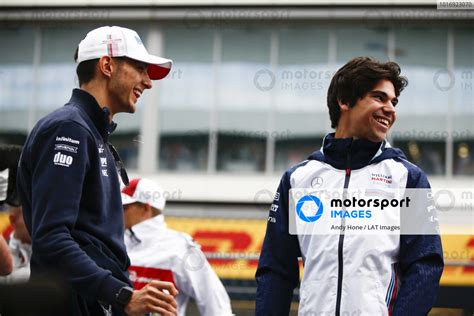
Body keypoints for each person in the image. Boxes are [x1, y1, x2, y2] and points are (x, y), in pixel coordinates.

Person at [256, 57, 444, 315]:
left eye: (394, 102)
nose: (391, 109)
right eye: (379, 98)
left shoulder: (408, 179)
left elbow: (425, 266)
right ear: (344, 101)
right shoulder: (297, 179)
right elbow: (275, 272)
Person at [17, 26, 179, 315]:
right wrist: (121, 295)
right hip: (71, 303)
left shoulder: (90, 132)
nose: (148, 82)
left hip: (89, 302)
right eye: (141, 68)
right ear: (107, 65)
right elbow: (52, 240)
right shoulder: (70, 128)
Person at [122, 178, 233, 316]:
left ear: (146, 208)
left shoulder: (179, 247)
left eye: (124, 208)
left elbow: (215, 303)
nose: (119, 212)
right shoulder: (115, 242)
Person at [0, 205, 32, 284]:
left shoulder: (53, 250)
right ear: (13, 220)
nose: (39, 223)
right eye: (32, 217)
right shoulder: (3, 254)